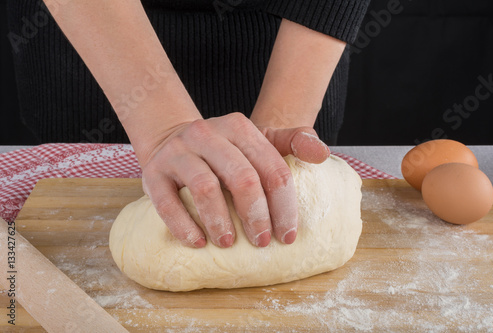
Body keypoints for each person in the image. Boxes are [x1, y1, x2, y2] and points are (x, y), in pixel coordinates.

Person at [7, 0, 370, 249]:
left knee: (283, 194)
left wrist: (281, 121)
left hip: (288, 36)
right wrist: (161, 126)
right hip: (96, 38)